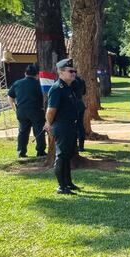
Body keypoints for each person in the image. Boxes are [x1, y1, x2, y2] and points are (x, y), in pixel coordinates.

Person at [43, 59, 81, 195]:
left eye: (74, 71)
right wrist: (49, 123)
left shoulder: (68, 87)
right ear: (61, 72)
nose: (74, 73)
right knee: (62, 155)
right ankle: (61, 186)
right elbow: (51, 110)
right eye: (71, 71)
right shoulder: (57, 88)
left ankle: (68, 183)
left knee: (68, 154)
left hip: (70, 125)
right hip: (61, 125)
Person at [8, 64, 46, 158]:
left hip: (21, 111)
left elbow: (10, 97)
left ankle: (21, 151)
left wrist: (14, 108)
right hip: (36, 110)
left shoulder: (17, 83)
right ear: (37, 75)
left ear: (25, 73)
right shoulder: (39, 84)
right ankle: (40, 151)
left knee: (23, 132)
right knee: (39, 131)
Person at [71, 76, 87, 152]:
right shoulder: (81, 80)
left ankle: (74, 145)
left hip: (73, 105)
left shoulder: (70, 81)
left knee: (73, 126)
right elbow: (84, 92)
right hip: (80, 104)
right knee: (80, 126)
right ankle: (81, 146)